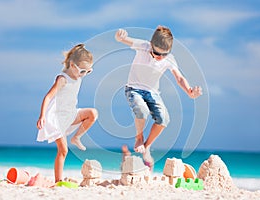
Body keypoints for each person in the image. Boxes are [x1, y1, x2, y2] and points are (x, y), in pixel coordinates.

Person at [115, 26, 202, 171]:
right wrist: (120, 36)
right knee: (141, 110)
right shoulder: (143, 46)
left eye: (164, 54)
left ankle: (147, 146)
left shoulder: (170, 60)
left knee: (163, 119)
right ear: (151, 45)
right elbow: (122, 39)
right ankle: (139, 138)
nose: (160, 57)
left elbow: (179, 78)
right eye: (156, 53)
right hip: (134, 89)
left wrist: (189, 91)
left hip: (153, 92)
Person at [36, 44, 98, 182]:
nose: (84, 75)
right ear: (72, 65)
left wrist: (83, 72)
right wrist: (42, 116)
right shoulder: (62, 79)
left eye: (88, 72)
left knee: (92, 113)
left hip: (70, 115)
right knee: (63, 150)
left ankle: (76, 138)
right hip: (57, 119)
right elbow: (48, 97)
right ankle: (58, 181)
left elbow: (79, 74)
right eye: (83, 71)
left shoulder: (78, 77)